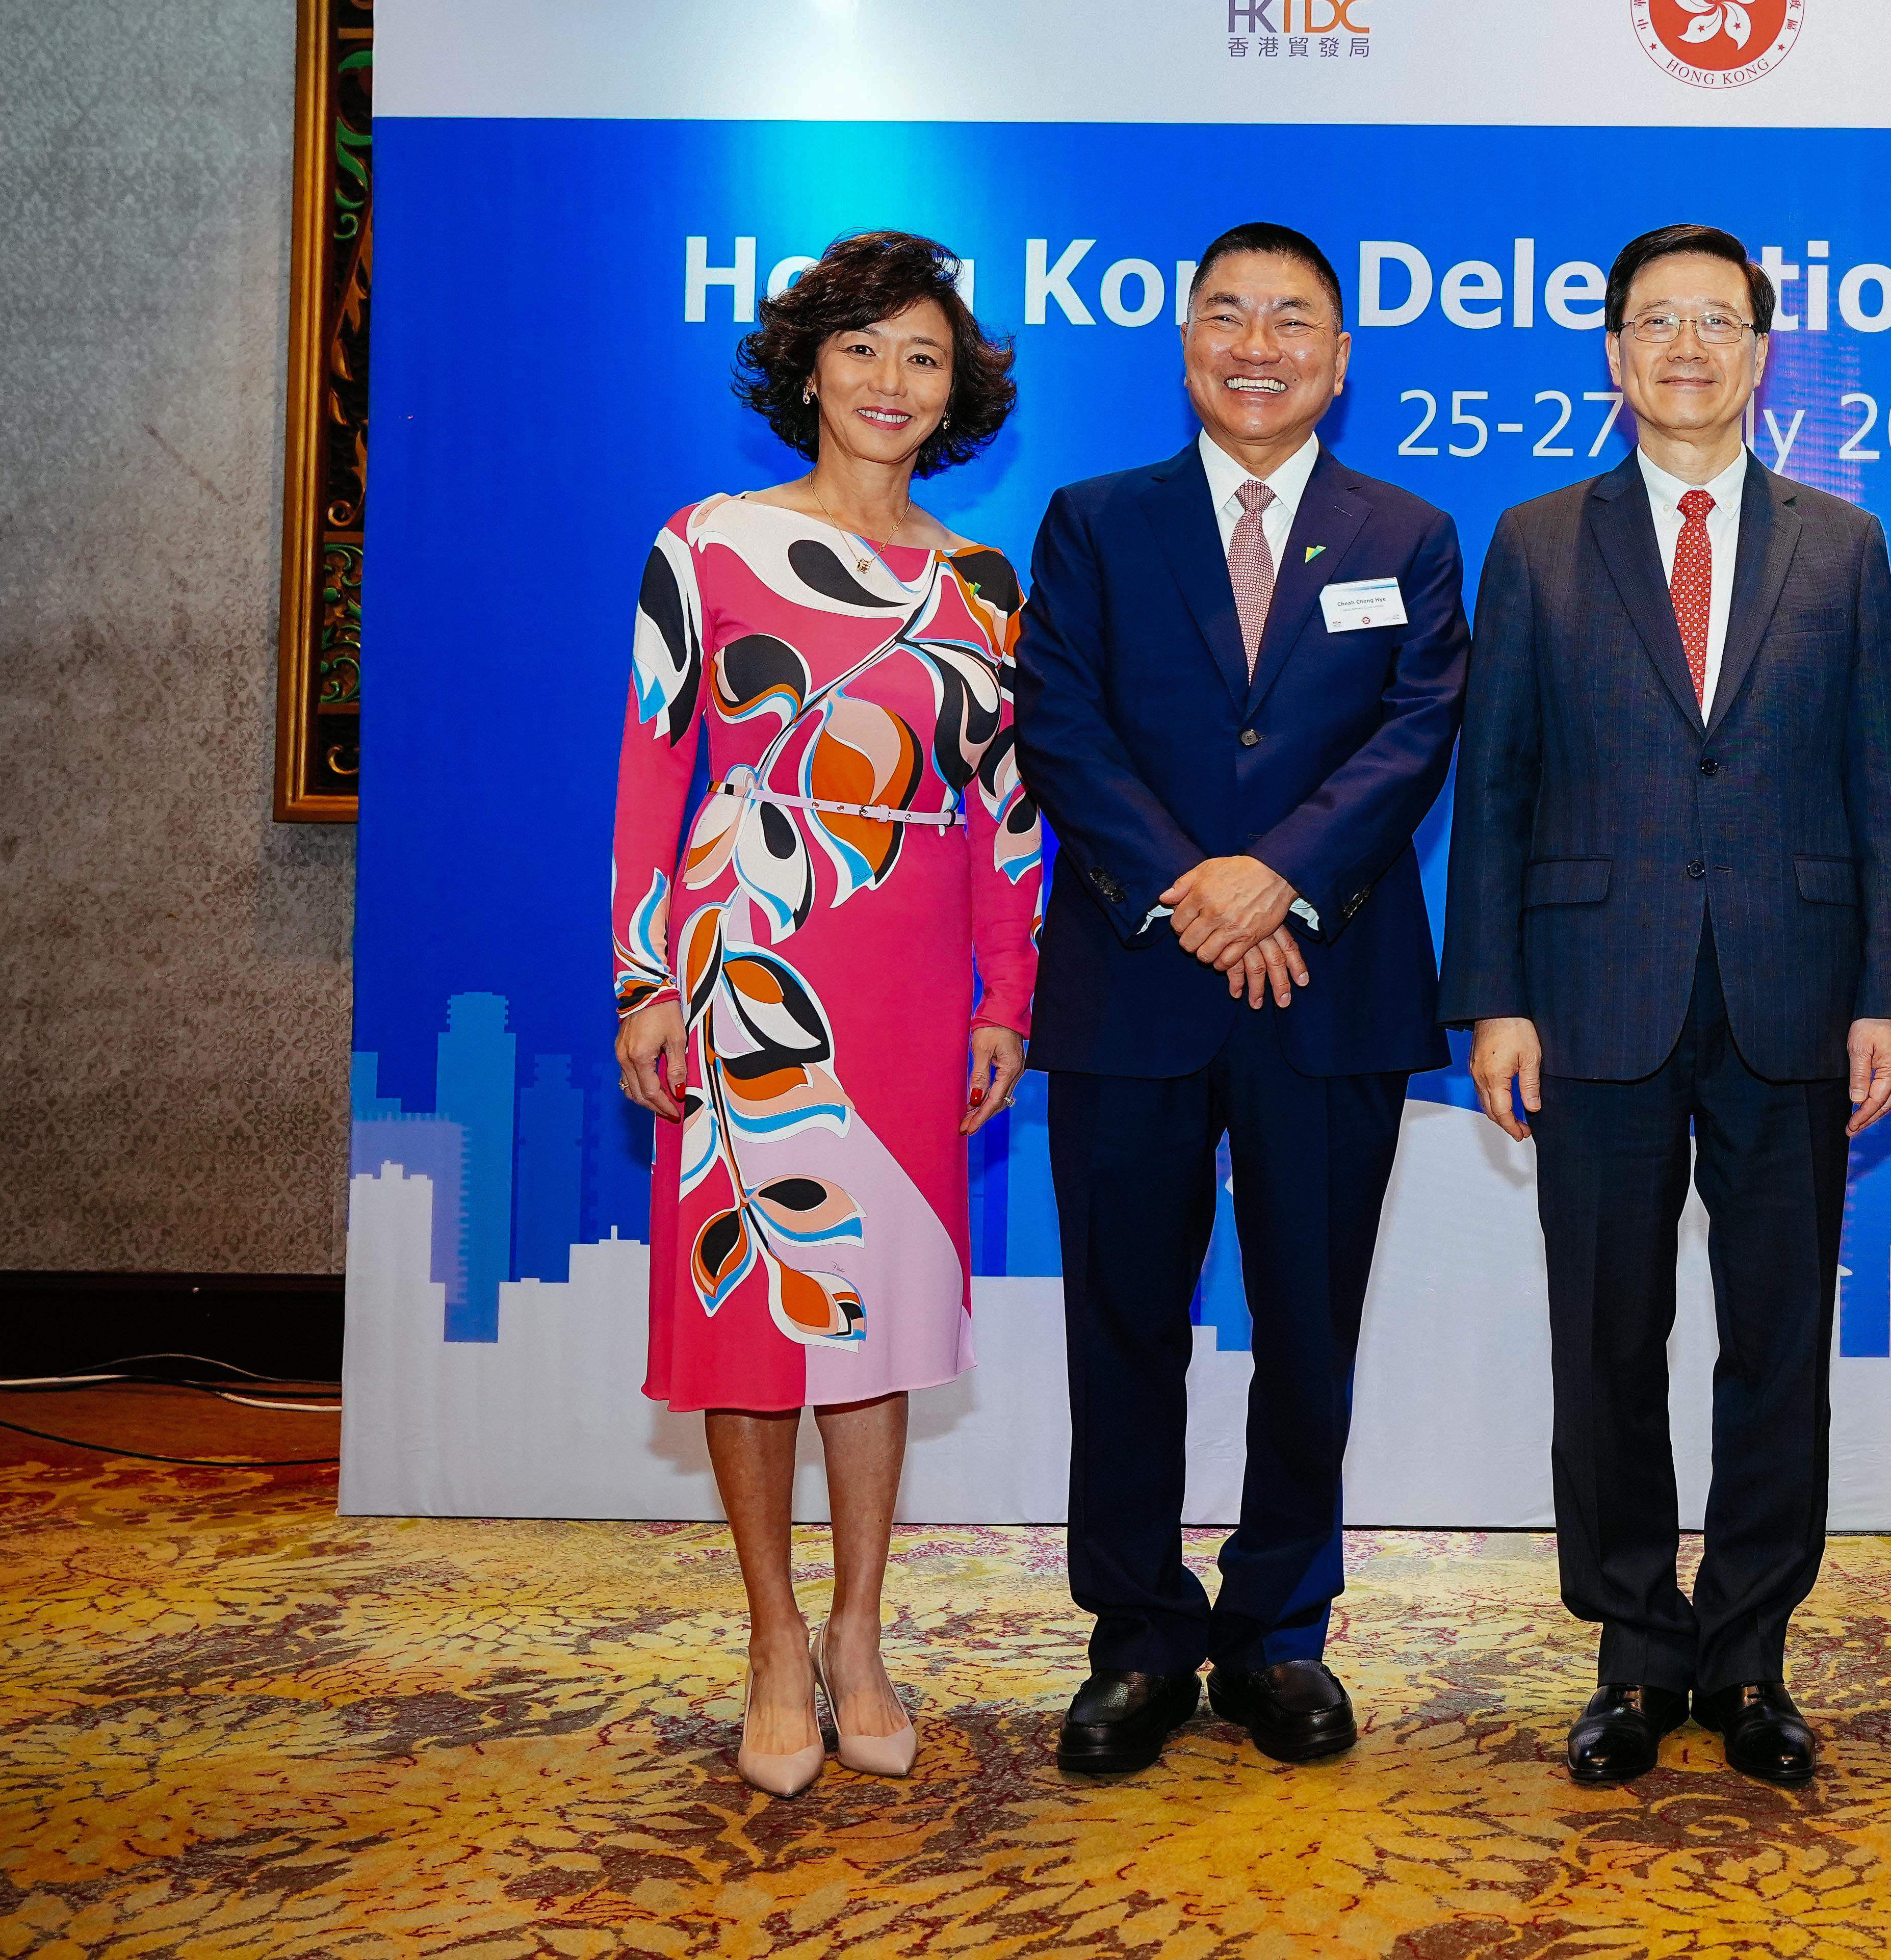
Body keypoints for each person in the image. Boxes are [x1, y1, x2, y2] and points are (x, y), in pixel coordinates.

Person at [1443, 222, 1891, 1789]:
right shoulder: (1537, 540)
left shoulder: (1841, 545)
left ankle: (1752, 1653)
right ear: (1613, 353)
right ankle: (1638, 1653)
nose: (1689, 348)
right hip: (1593, 993)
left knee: (1778, 1342)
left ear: (1763, 355)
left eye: (1719, 321)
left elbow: (1884, 787)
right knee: (1609, 1336)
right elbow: (1496, 786)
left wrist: (1887, 995)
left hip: (1795, 994)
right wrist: (1495, 997)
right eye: (1657, 321)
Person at [1008, 222, 1468, 1775]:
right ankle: (1139, 1634)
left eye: (1291, 321)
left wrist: (1276, 878)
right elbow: (1061, 724)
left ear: (1340, 358)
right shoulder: (1096, 521)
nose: (1256, 346)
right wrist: (1193, 891)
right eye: (1227, 316)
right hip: (1136, 978)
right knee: (1124, 1325)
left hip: (1329, 984)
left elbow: (1416, 734)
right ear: (1187, 340)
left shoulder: (1409, 533)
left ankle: (1279, 1630)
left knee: (1309, 1327)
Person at [612, 228, 1039, 1797]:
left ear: (955, 392)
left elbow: (1006, 811)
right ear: (807, 370)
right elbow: (654, 768)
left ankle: (860, 1633)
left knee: (879, 1311)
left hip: (915, 984)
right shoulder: (707, 544)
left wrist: (1007, 994)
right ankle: (774, 1639)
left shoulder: (982, 585)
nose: (890, 381)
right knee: (753, 1315)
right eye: (861, 348)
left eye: (923, 356)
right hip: (743, 962)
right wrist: (646, 977)